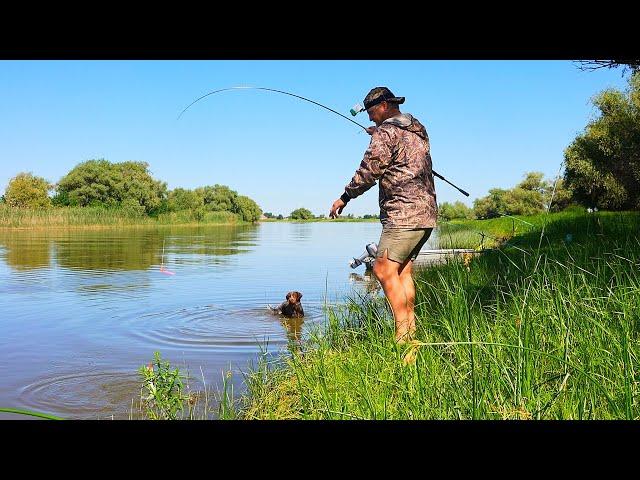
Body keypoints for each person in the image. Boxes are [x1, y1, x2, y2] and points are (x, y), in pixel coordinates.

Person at [329, 86, 437, 343]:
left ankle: (403, 336)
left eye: (370, 111)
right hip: (426, 212)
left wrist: (344, 197)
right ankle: (411, 331)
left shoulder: (387, 133)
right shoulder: (417, 128)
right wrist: (378, 133)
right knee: (402, 272)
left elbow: (369, 171)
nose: (368, 117)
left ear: (385, 105)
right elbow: (402, 147)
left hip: (403, 213)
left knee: (382, 269)